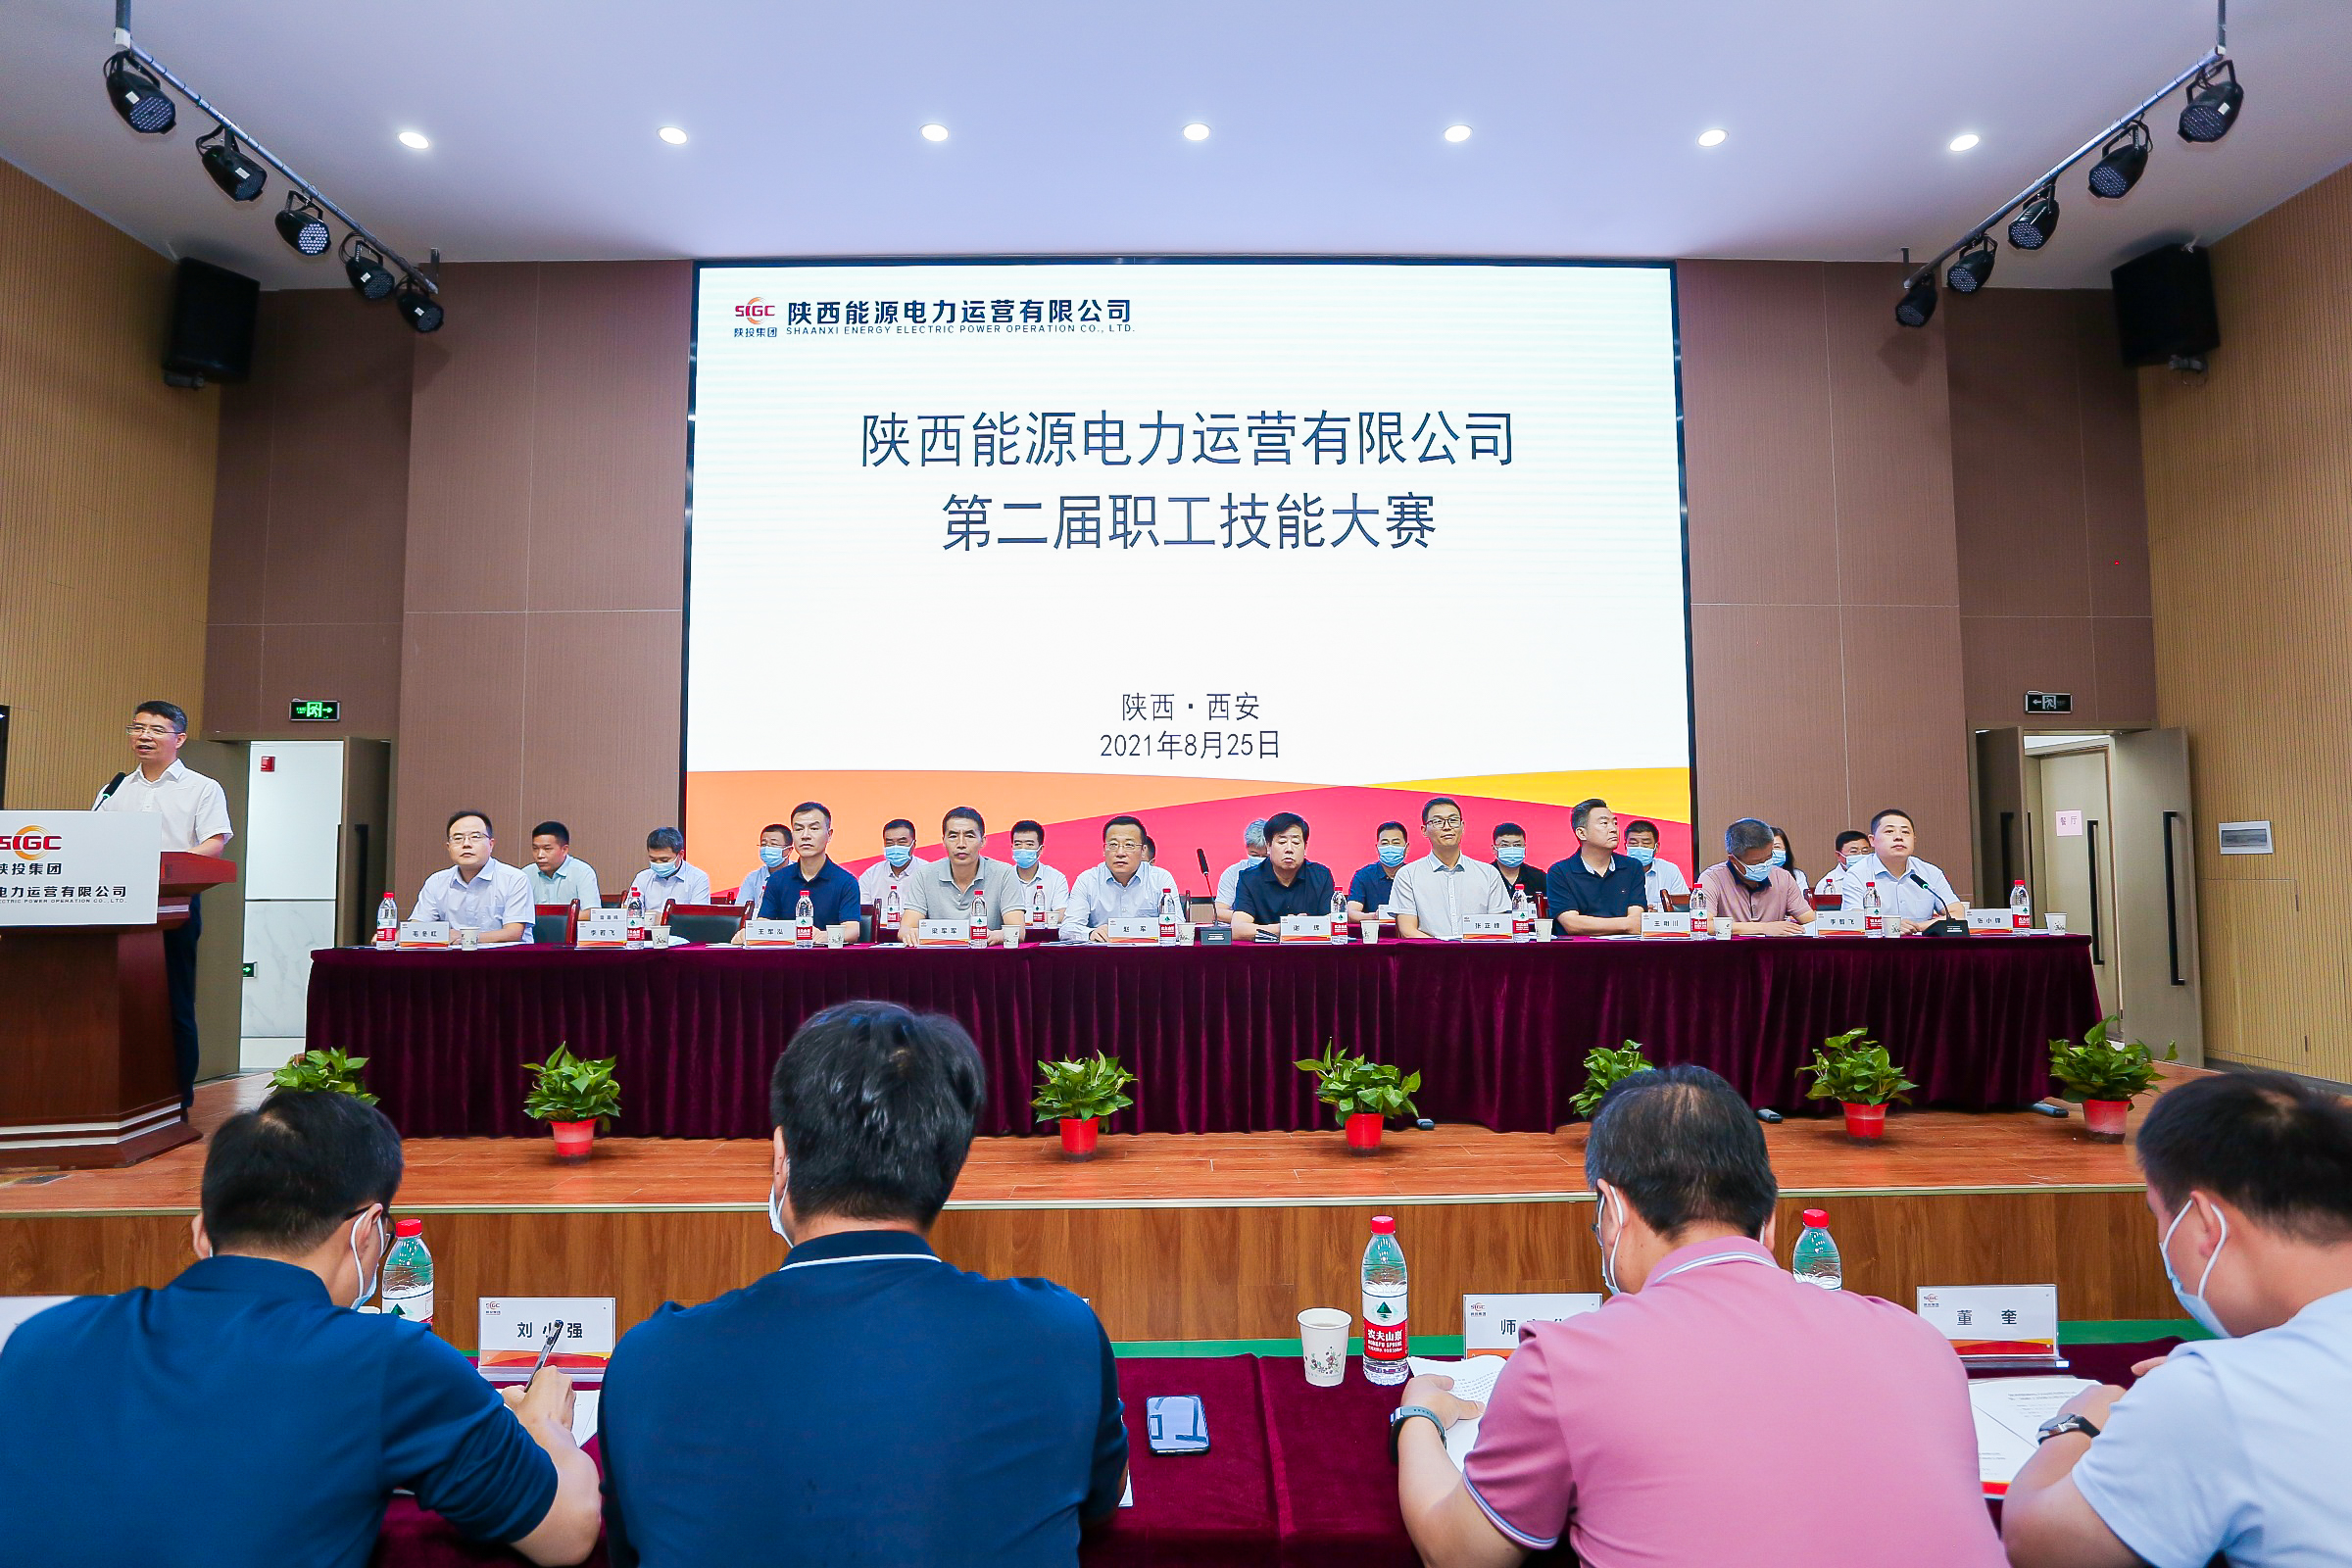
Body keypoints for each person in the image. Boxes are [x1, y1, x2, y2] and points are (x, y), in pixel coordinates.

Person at [1395, 1064, 2003, 1568]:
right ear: (1770, 1218)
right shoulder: (1920, 1342)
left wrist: (1418, 1413)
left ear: (1612, 1210)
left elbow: (1459, 1553)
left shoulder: (1565, 1363)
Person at [598, 1003, 1128, 1565]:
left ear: (782, 1158)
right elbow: (1101, 1498)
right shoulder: (1059, 1333)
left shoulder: (650, 1361)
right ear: (950, 1164)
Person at [0, 1089, 601, 1567]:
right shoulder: (385, 1360)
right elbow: (568, 1534)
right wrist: (543, 1424)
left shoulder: (42, 1340)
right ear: (367, 1230)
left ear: (201, 1232)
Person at [2001, 1071, 2352, 1568]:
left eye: (2159, 1215)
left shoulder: (2216, 1393)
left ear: (2207, 1224)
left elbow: (2039, 1545)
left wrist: (2077, 1424)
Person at [92, 700, 231, 1107]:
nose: (144, 736)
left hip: (174, 906)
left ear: (179, 739)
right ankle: (128, 1097)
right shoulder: (115, 789)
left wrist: (164, 868)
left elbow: (214, 843)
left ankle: (177, 1100)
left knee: (174, 1003)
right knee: (122, 1003)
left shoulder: (202, 788)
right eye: (137, 728)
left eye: (156, 729)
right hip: (119, 905)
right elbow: (94, 840)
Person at [1392, 797, 1511, 941]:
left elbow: (1499, 929)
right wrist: (1445, 949)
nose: (1447, 827)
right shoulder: (1407, 875)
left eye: (1453, 820)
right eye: (1438, 821)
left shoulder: (1489, 874)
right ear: (1424, 830)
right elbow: (1408, 930)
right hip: (1429, 953)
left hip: (1477, 953)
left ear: (1463, 826)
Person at [902, 807, 1027, 941]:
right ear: (943, 841)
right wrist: (911, 934)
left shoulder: (1004, 874)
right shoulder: (924, 874)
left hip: (986, 951)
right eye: (953, 836)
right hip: (938, 953)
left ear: (983, 841)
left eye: (969, 836)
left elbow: (1018, 931)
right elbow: (905, 929)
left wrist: (997, 936)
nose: (961, 844)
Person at [1831, 808, 1964, 932]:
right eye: (1889, 831)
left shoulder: (1930, 872)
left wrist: (1917, 927)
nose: (1899, 837)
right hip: (1876, 946)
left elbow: (1957, 913)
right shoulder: (1857, 874)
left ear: (1914, 839)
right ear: (1872, 840)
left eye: (1905, 832)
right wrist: (1891, 926)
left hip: (1922, 946)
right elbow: (1854, 920)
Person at [746, 802, 862, 941]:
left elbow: (852, 931)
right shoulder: (777, 879)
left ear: (829, 835)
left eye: (814, 828)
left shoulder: (846, 882)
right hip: (786, 953)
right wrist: (748, 933)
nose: (805, 835)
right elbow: (763, 923)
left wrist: (822, 936)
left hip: (828, 952)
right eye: (799, 829)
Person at [414, 809, 534, 944]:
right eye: (458, 838)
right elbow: (417, 927)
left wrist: (464, 936)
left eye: (476, 837)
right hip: (452, 956)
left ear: (491, 844)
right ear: (448, 847)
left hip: (506, 955)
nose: (466, 844)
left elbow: (513, 933)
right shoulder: (436, 882)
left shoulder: (514, 879)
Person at [1059, 815, 1181, 943]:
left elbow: (1177, 927)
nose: (1120, 853)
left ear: (1143, 850)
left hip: (1148, 953)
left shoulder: (1160, 879)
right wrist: (1091, 933)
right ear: (1104, 849)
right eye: (1113, 845)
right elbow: (1067, 929)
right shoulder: (1087, 880)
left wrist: (1142, 932)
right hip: (1103, 952)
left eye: (1129, 845)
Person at [1692, 818, 1816, 935]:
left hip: (1773, 950)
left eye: (1768, 858)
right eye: (1756, 862)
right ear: (1733, 859)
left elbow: (1811, 921)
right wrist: (1764, 928)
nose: (1764, 865)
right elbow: (1704, 925)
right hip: (1730, 949)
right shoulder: (1712, 879)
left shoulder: (1783, 877)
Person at [1544, 799, 1648, 936]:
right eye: (1604, 823)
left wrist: (1627, 925)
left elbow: (1636, 920)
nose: (1613, 829)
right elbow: (1572, 924)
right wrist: (1625, 924)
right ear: (1582, 833)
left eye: (1615, 823)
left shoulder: (1632, 867)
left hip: (1625, 946)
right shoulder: (1560, 872)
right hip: (1579, 948)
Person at [1230, 811, 1338, 939]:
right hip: (1265, 950)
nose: (1289, 849)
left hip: (1310, 949)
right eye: (1282, 842)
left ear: (1305, 847)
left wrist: (1302, 926)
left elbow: (1334, 923)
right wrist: (1285, 927)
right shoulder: (1249, 879)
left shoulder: (1321, 876)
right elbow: (1238, 929)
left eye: (1296, 843)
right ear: (1268, 846)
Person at [627, 827, 712, 913]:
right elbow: (629, 912)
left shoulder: (698, 878)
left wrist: (657, 917)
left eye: (664, 860)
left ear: (680, 854)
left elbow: (698, 916)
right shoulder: (642, 878)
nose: (658, 864)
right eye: (653, 859)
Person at [1006, 818, 1069, 930]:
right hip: (1011, 936)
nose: (1023, 849)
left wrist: (1018, 918)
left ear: (1040, 849)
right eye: (1018, 844)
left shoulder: (1056, 878)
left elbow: (1061, 914)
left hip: (1044, 936)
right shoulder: (1004, 878)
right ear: (1012, 848)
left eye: (1029, 844)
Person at [525, 821, 602, 910]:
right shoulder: (526, 874)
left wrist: (560, 918)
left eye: (547, 849)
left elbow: (591, 912)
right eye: (535, 849)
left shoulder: (582, 872)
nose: (540, 855)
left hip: (570, 920)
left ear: (564, 850)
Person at [1347, 821, 1410, 921]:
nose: (1390, 847)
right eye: (1385, 843)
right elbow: (1351, 913)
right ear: (1377, 848)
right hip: (1374, 929)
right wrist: (1375, 917)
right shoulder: (1363, 876)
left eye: (1396, 843)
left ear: (1406, 848)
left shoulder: (1414, 875)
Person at [857, 818, 928, 908]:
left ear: (914, 844)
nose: (895, 847)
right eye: (889, 843)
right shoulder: (870, 876)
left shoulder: (927, 873)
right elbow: (863, 912)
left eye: (902, 842)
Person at [1622, 818, 1689, 910]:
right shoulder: (1615, 870)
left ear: (1656, 848)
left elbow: (1683, 909)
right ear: (1625, 846)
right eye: (1633, 843)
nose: (1639, 847)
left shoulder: (1670, 870)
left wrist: (1657, 913)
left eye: (1646, 843)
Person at [1214, 818, 1270, 923]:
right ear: (1247, 847)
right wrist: (1251, 917)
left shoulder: (1285, 872)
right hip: (1242, 929)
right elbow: (1218, 912)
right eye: (1254, 855)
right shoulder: (1233, 873)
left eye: (1265, 856)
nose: (1260, 859)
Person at [732, 822, 791, 912]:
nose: (767, 848)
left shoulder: (798, 875)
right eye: (764, 844)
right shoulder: (753, 878)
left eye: (773, 844)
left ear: (789, 850)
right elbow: (740, 910)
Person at [1491, 822, 1544, 910]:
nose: (1511, 849)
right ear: (1494, 848)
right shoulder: (1485, 876)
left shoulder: (1539, 877)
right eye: (1505, 845)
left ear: (1524, 848)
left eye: (1517, 845)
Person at [1817, 830, 1871, 897]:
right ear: (1838, 855)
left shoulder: (1878, 877)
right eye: (1853, 851)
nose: (1860, 855)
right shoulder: (1826, 885)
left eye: (1865, 851)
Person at [1768, 826, 1805, 894]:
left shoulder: (1798, 875)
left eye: (1776, 847)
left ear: (1785, 850)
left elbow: (1802, 899)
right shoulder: (1756, 876)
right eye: (1768, 848)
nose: (1772, 852)